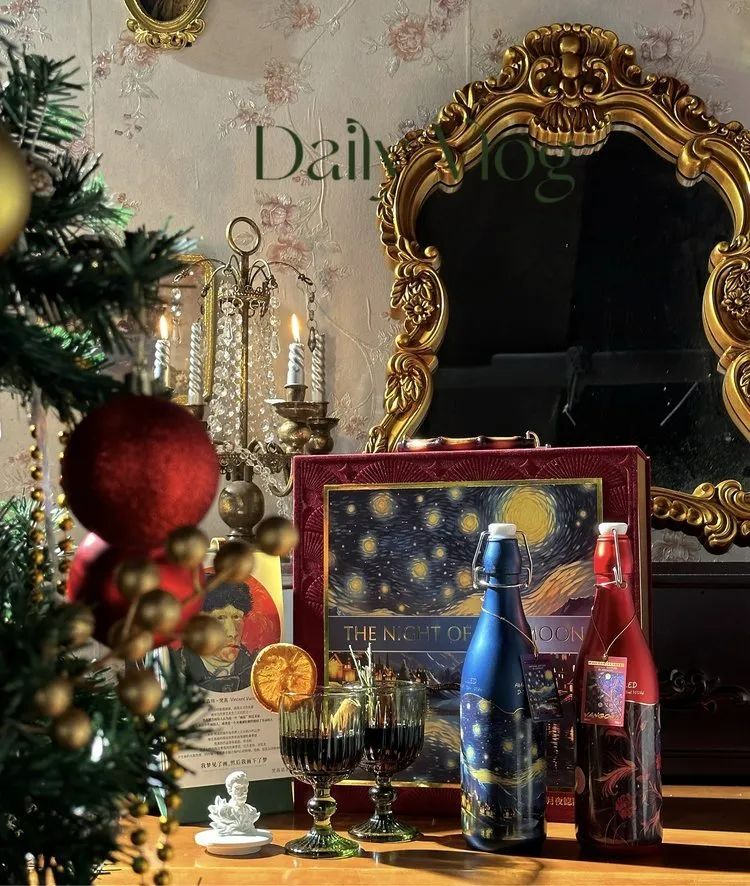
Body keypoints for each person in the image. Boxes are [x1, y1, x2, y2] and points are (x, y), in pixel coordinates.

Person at [173, 582, 256, 692]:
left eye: (236, 617)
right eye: (220, 617)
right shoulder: (174, 668)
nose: (232, 633)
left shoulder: (257, 669)